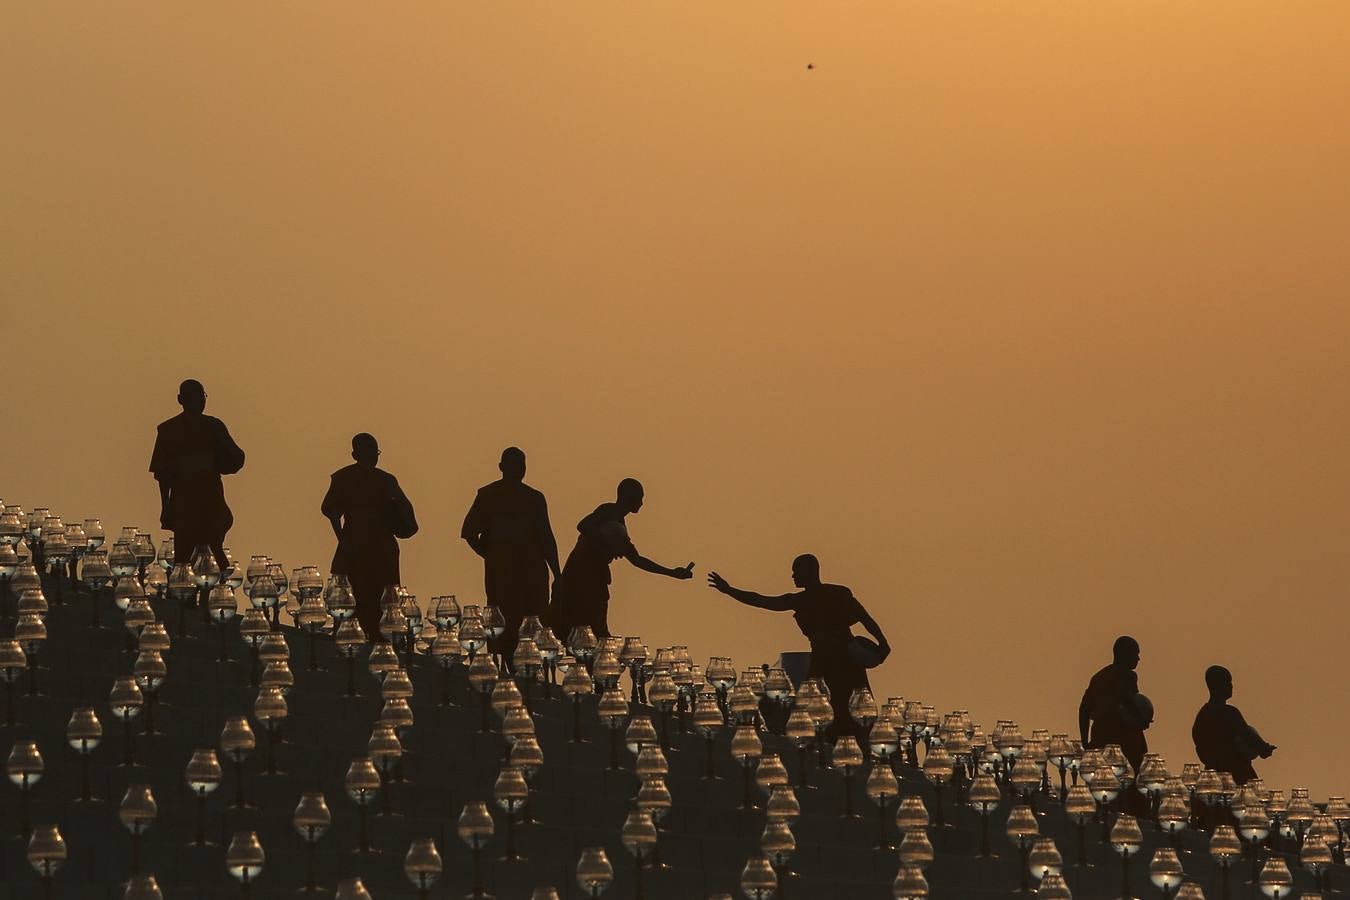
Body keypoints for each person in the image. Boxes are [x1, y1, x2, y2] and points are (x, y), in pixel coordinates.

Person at [707, 554, 889, 738]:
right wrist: (730, 590)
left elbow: (865, 619)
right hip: (822, 663)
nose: (793, 576)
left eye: (796, 572)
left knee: (846, 709)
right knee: (823, 710)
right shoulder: (803, 599)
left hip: (842, 662)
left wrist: (883, 643)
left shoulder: (837, 595)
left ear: (810, 572)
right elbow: (761, 601)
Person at [547, 478, 693, 639]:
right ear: (628, 497)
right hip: (580, 575)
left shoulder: (619, 524)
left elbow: (637, 559)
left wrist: (672, 572)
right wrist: (606, 542)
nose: (642, 503)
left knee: (593, 629)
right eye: (639, 498)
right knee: (577, 628)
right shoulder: (607, 511)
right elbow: (582, 525)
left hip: (596, 577)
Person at [461, 447, 560, 665]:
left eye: (521, 465)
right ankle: (508, 667)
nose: (519, 470)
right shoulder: (488, 495)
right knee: (505, 621)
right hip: (504, 571)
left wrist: (558, 574)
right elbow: (468, 531)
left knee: (533, 623)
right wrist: (489, 555)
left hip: (531, 571)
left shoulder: (534, 498)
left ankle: (529, 668)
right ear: (501, 468)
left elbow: (547, 538)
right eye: (515, 465)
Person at [321, 434, 418, 642]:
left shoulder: (350, 478)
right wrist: (343, 540)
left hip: (367, 547)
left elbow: (331, 512)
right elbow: (331, 511)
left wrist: (342, 539)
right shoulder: (379, 480)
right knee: (360, 602)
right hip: (370, 548)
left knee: (371, 603)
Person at [149, 379, 245, 572]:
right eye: (196, 398)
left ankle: (216, 585)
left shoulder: (213, 427)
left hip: (210, 499)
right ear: (181, 400)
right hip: (185, 502)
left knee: (212, 549)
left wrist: (216, 462)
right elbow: (163, 475)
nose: (200, 402)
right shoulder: (168, 430)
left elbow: (237, 458)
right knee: (185, 558)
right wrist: (166, 508)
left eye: (202, 398)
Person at [1192, 665, 1275, 785]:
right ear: (1216, 687)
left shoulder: (1202, 714)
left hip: (1211, 777)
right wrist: (1264, 748)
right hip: (1237, 773)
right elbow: (1248, 734)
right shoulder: (1230, 713)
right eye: (1227, 682)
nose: (1231, 686)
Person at [1079, 635, 1150, 774]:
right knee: (1132, 780)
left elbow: (1084, 709)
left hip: (1100, 738)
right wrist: (1141, 718)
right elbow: (1128, 700)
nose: (1138, 659)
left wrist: (1085, 741)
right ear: (1125, 654)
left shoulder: (1098, 677)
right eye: (1136, 654)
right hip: (1125, 739)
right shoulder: (1128, 675)